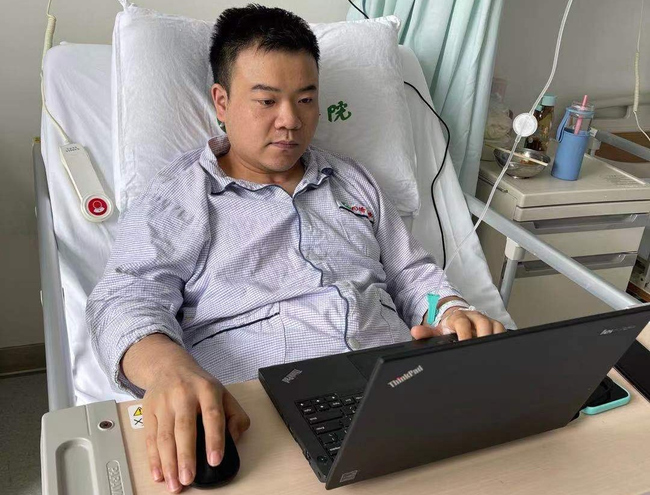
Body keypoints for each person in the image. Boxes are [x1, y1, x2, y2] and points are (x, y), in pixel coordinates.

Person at [87, 4, 506, 493]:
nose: (290, 121)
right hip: (266, 414)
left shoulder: (354, 182)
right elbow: (125, 298)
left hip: (401, 391)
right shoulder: (179, 197)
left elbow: (413, 278)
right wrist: (168, 371)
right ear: (221, 101)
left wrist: (450, 311)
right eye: (266, 101)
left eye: (306, 100)